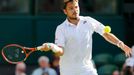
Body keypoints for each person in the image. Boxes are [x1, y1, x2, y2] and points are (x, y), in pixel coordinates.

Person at [39, 0, 132, 75]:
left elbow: (106, 34)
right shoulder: (61, 28)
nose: (75, 10)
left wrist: (121, 44)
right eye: (71, 8)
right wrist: (52, 47)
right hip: (68, 71)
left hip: (87, 68)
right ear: (65, 11)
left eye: (76, 7)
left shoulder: (88, 21)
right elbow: (60, 51)